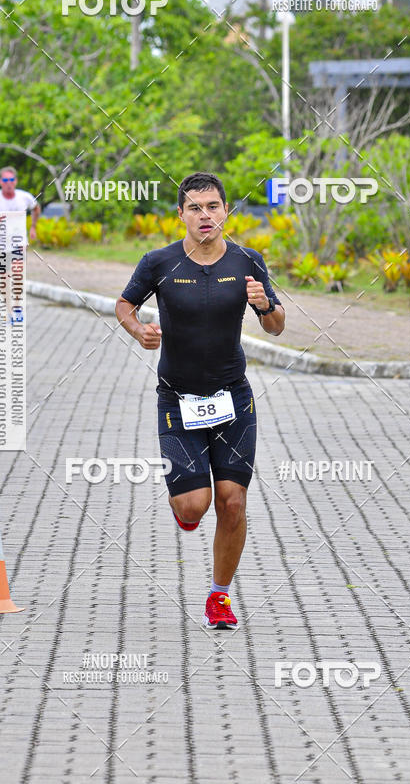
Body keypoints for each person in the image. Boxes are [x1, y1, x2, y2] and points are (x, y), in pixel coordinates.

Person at [116, 172, 285, 630]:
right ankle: (186, 508)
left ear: (225, 210)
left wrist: (265, 306)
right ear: (181, 215)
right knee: (194, 506)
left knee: (232, 502)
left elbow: (277, 326)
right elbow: (124, 306)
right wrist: (140, 332)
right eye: (195, 208)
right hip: (177, 398)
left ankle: (219, 596)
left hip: (234, 400)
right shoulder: (159, 262)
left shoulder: (249, 260)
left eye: (213, 206)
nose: (205, 215)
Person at [0, 166, 40, 241]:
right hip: (1, 243)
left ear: (16, 181)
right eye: (5, 180)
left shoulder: (25, 196)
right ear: (0, 182)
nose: (9, 182)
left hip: (19, 241)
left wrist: (33, 227)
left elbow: (36, 208)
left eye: (12, 179)